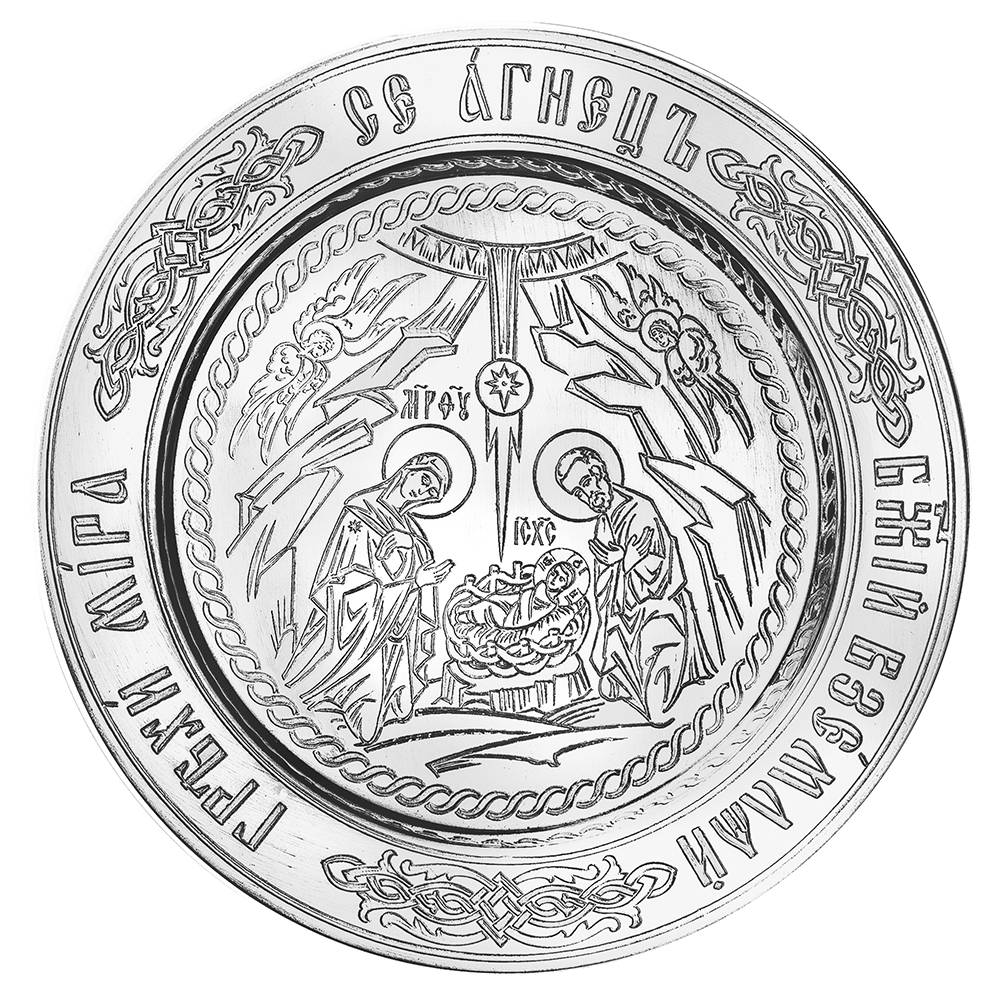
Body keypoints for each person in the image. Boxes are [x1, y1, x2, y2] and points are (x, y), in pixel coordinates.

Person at [285, 452, 454, 744]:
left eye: (431, 494)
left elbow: (416, 593)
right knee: (345, 717)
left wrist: (412, 551)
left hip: (382, 640)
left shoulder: (414, 535)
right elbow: (349, 588)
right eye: (425, 480)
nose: (423, 493)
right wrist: (414, 582)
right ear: (409, 468)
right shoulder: (361, 511)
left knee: (368, 728)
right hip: (343, 630)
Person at [555, 446, 715, 720]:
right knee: (608, 681)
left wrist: (623, 560)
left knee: (655, 671)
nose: (587, 495)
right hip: (623, 612)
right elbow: (603, 587)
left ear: (599, 472)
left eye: (586, 482)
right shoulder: (603, 524)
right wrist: (614, 565)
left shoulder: (640, 509)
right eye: (578, 493)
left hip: (657, 608)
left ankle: (654, 692)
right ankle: (631, 682)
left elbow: (657, 569)